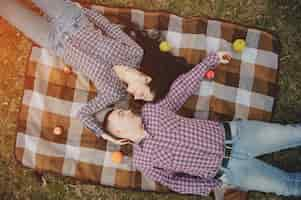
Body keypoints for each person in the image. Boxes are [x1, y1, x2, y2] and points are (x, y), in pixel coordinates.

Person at [102, 52, 301, 196]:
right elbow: (174, 182)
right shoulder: (143, 161)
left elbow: (179, 90)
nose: (127, 110)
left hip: (238, 136)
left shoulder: (151, 112)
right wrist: (208, 186)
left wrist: (209, 62)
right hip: (231, 171)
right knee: (287, 186)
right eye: (121, 113)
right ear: (118, 132)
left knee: (294, 134)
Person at [0, 0, 156, 144]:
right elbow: (109, 27)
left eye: (138, 99)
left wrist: (103, 134)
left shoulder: (114, 92)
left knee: (7, 9)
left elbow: (83, 114)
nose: (135, 96)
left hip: (54, 42)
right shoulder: (136, 53)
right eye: (142, 94)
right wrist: (84, 12)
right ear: (147, 79)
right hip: (72, 18)